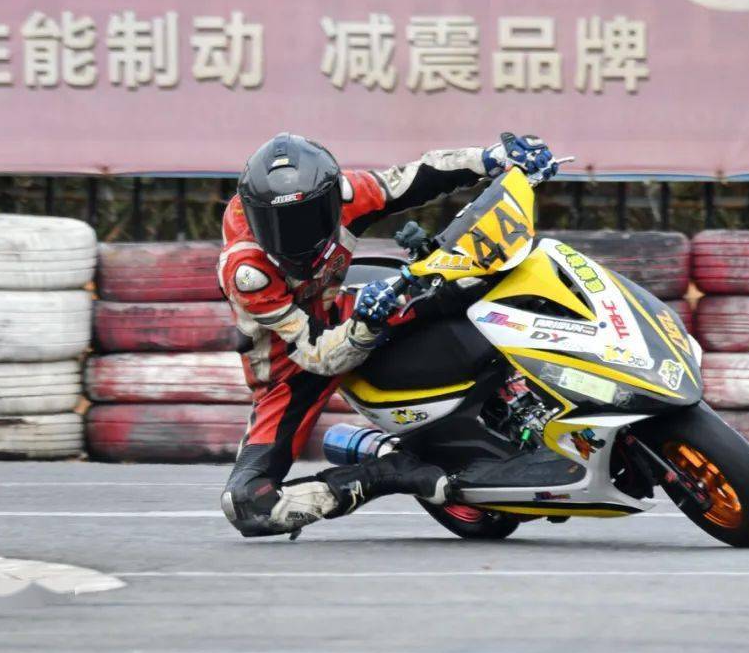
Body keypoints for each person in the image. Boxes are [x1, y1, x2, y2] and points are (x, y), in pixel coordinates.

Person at [218, 132, 559, 537]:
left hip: (345, 307)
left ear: (332, 200)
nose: (293, 237)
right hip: (291, 366)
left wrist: (492, 158)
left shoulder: (344, 193)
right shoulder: (247, 271)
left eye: (306, 219)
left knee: (462, 281)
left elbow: (414, 177)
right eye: (276, 225)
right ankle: (385, 471)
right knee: (247, 506)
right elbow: (316, 354)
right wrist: (367, 324)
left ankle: (535, 392)